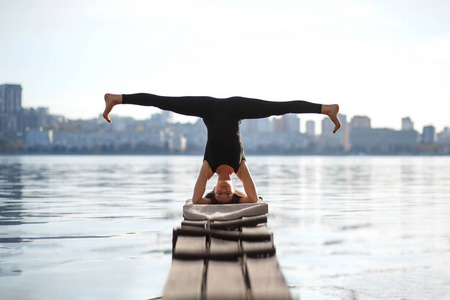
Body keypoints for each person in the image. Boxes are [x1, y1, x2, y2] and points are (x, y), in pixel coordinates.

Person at [103, 93, 340, 204]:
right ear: (235, 190)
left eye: (219, 194)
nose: (224, 191)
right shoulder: (240, 168)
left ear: (213, 189)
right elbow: (254, 199)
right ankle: (326, 109)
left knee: (164, 102)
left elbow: (196, 200)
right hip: (237, 107)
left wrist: (214, 203)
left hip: (206, 107)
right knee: (278, 108)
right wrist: (237, 201)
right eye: (228, 194)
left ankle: (116, 98)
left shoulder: (208, 168)